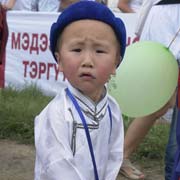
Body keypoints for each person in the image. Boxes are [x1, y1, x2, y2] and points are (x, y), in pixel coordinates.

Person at [34, 1, 126, 180]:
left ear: (116, 62)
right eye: (77, 49)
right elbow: (57, 167)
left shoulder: (112, 109)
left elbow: (114, 156)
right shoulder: (56, 114)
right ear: (59, 60)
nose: (88, 61)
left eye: (99, 51)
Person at [119, 1, 180, 180]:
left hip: (167, 15)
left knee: (163, 102)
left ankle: (121, 155)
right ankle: (120, 156)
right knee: (160, 100)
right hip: (169, 15)